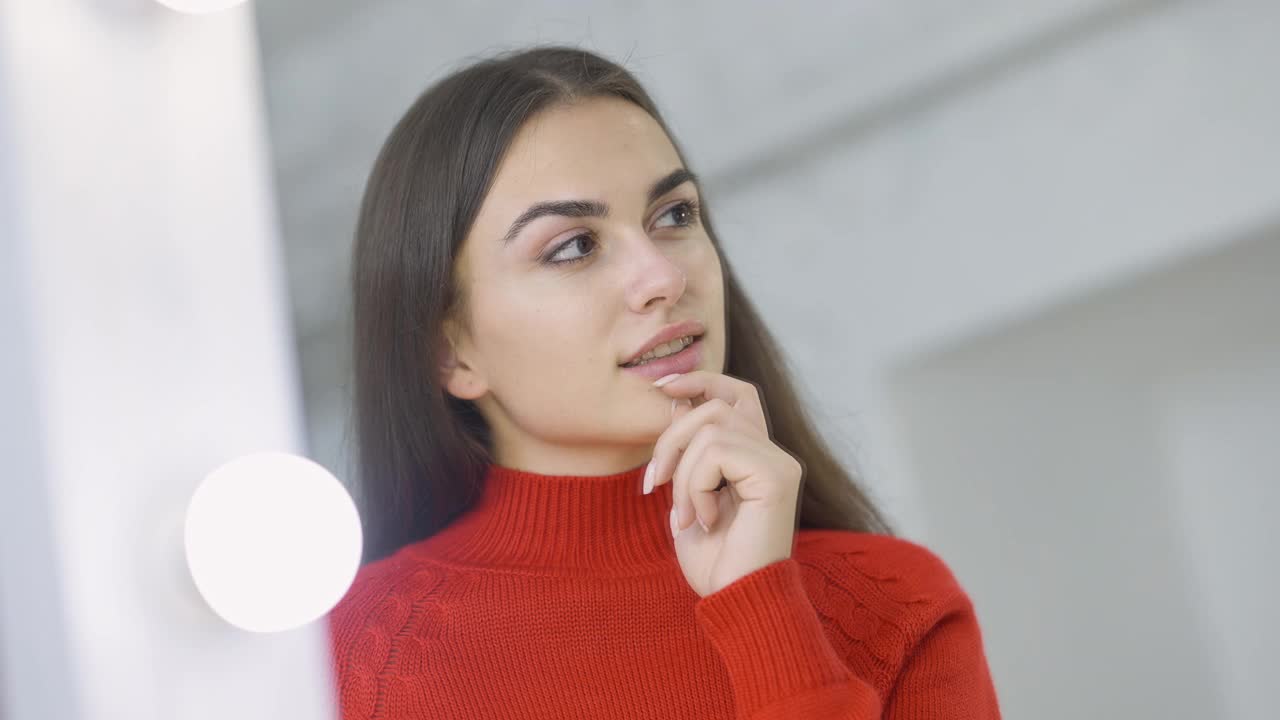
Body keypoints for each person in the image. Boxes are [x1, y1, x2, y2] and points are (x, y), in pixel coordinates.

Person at [326, 44, 1001, 719]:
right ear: (450, 353)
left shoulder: (895, 607)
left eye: (674, 215)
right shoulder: (340, 663)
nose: (663, 278)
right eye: (574, 247)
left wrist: (765, 611)